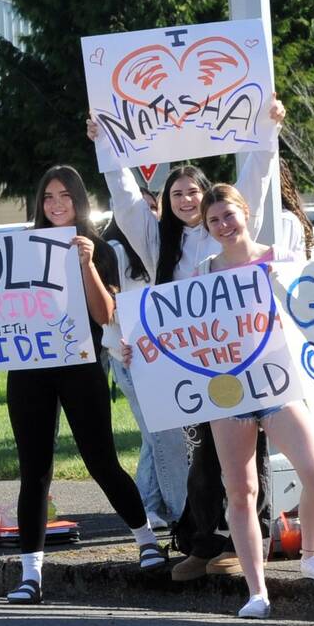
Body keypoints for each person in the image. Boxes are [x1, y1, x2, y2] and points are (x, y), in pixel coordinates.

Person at [88, 110, 278, 582]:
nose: (188, 199)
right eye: (177, 193)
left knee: (248, 454)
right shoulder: (156, 243)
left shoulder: (227, 230)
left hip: (243, 360)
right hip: (188, 367)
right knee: (200, 458)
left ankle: (249, 542)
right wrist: (107, 144)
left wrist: (267, 127)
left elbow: (254, 178)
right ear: (167, 203)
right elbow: (126, 196)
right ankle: (202, 542)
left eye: (194, 191)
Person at [2, 167, 161, 605]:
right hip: (29, 367)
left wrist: (87, 263)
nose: (55, 204)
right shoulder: (21, 248)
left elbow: (105, 314)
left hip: (82, 364)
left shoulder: (100, 248)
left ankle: (146, 538)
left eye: (64, 196)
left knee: (101, 460)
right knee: (34, 470)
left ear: (79, 201)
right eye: (48, 196)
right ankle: (30, 573)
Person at [180, 183, 314, 618]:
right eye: (213, 221)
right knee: (241, 489)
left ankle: (310, 553)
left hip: (277, 383)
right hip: (229, 390)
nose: (223, 225)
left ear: (245, 213)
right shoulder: (202, 274)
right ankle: (256, 591)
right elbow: (184, 334)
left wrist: (283, 291)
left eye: (228, 215)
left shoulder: (281, 260)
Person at [103, 210, 184, 529]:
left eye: (153, 207)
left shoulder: (159, 249)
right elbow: (110, 307)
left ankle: (147, 505)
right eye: (142, 208)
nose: (149, 215)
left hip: (158, 356)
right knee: (160, 436)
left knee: (157, 436)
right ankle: (171, 509)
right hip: (130, 356)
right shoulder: (115, 249)